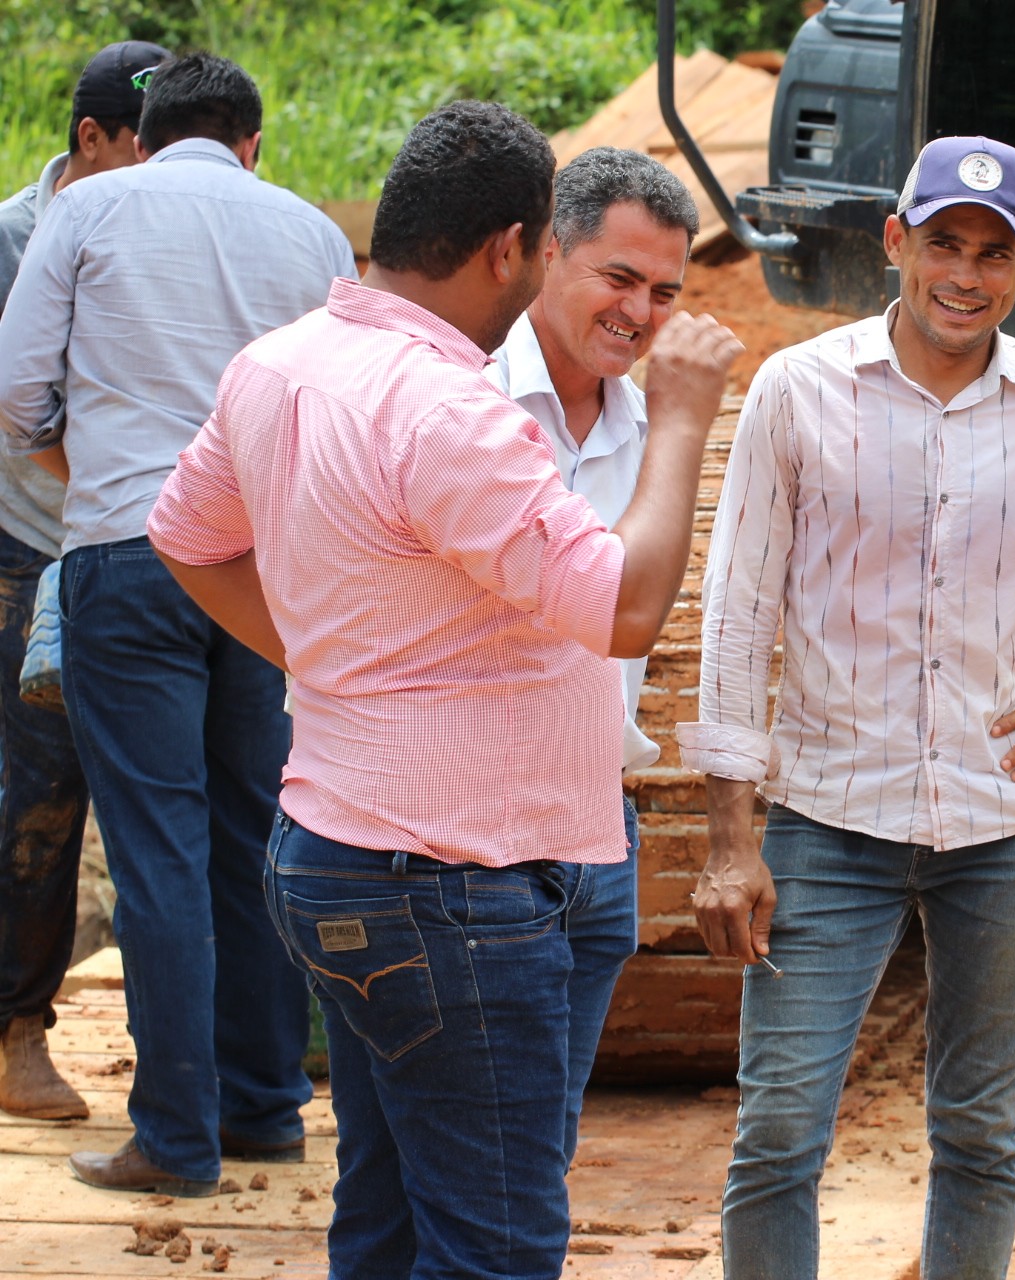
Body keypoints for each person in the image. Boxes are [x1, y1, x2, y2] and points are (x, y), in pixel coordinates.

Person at [145, 101, 741, 1277]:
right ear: (518, 248)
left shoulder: (281, 364)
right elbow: (623, 608)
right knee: (500, 1243)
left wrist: (331, 662)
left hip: (350, 850)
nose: (641, 313)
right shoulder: (451, 407)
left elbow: (188, 538)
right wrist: (679, 421)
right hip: (456, 883)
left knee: (389, 1208)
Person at [682, 134, 1015, 1280]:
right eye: (943, 244)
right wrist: (729, 839)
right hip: (828, 817)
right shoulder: (799, 391)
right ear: (897, 241)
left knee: (980, 1134)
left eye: (993, 252)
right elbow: (737, 613)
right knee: (779, 1131)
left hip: (1004, 822)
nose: (964, 275)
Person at [0, 52, 355, 1196]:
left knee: (154, 843)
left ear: (141, 139)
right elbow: (338, 405)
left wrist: (86, 462)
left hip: (126, 551)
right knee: (256, 836)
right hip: (259, 571)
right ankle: (265, 1108)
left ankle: (174, 1135)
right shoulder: (309, 234)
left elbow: (14, 393)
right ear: (252, 143)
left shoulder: (92, 205)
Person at [484, 145, 702, 1158]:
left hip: (595, 824)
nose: (641, 310)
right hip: (471, 832)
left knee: (543, 1148)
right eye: (618, 276)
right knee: (467, 1157)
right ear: (547, 251)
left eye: (664, 291)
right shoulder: (468, 396)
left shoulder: (645, 428)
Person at [0, 37, 167, 1123]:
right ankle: (18, 1029)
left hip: (154, 547)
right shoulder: (17, 237)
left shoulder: (168, 220)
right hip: (35, 545)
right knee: (41, 795)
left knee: (168, 798)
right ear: (88, 140)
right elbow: (25, 409)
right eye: (138, 155)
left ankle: (190, 1051)